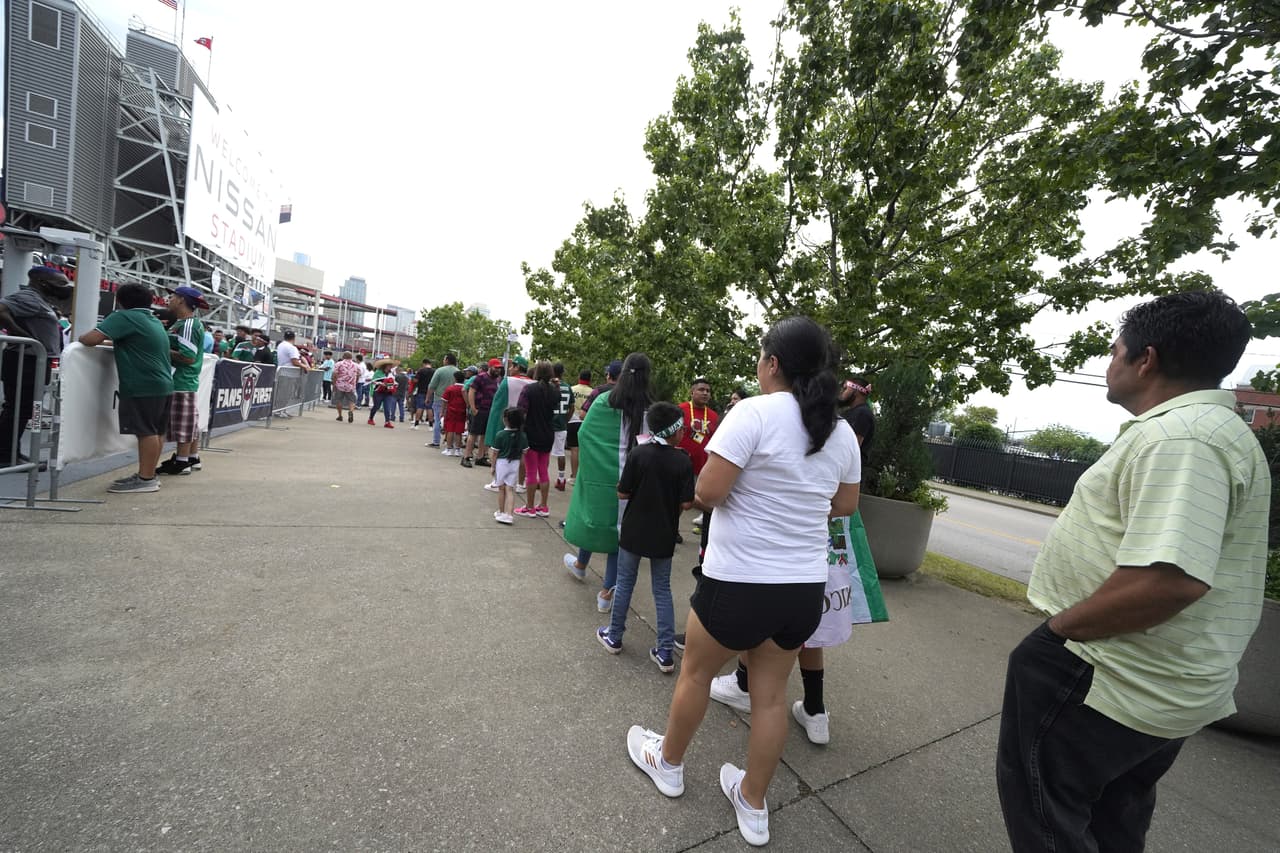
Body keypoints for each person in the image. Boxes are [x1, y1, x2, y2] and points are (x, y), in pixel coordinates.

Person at [996, 290, 1268, 853]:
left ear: (1145, 359)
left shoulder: (1183, 438)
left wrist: (1056, 634)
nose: (1108, 362)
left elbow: (1170, 580)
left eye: (1114, 349)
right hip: (1143, 681)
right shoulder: (1202, 433)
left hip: (1107, 673)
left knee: (1049, 819)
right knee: (1113, 819)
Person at [625, 317, 859, 847]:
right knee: (772, 697)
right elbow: (844, 505)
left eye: (760, 356)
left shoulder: (751, 413)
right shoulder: (840, 431)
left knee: (697, 675)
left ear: (773, 363)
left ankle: (669, 764)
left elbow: (708, 491)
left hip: (737, 581)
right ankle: (753, 804)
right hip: (802, 589)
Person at [711, 372, 878, 742]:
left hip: (816, 525)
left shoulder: (843, 425)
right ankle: (808, 707)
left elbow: (840, 495)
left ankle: (801, 704)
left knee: (783, 620)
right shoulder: (836, 426)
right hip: (819, 529)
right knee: (805, 622)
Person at [596, 402, 695, 674]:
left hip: (634, 530)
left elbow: (622, 493)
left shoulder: (639, 454)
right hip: (664, 532)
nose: (684, 431)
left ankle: (614, 636)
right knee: (661, 590)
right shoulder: (683, 460)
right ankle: (664, 651)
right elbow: (687, 504)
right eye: (681, 427)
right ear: (673, 430)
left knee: (625, 582)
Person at [562, 352, 655, 612]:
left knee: (593, 520)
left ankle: (581, 566)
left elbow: (585, 433)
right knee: (619, 534)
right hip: (633, 481)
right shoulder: (652, 407)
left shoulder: (605, 400)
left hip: (601, 477)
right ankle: (607, 593)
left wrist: (594, 467)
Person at [77, 283, 177, 494]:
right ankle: (148, 474)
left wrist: (81, 339)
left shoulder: (123, 317)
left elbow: (89, 339)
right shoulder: (153, 320)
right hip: (163, 384)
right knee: (157, 431)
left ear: (120, 301)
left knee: (145, 431)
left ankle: (146, 479)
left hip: (142, 385)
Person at [0, 266, 74, 468]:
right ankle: (6, 455)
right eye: (60, 283)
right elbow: (1, 309)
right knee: (17, 408)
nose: (65, 287)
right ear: (42, 282)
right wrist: (23, 336)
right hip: (25, 360)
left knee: (22, 409)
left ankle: (10, 453)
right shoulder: (28, 297)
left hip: (33, 360)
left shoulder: (39, 300)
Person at [157, 286, 209, 476]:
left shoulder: (187, 325)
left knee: (182, 423)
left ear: (181, 300)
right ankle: (191, 457)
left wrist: (159, 349)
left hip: (180, 379)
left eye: (172, 296)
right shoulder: (187, 323)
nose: (168, 299)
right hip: (184, 380)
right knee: (189, 422)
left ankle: (182, 462)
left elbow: (188, 357)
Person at [514, 361, 559, 518]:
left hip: (531, 433)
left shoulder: (529, 389)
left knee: (531, 470)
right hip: (548, 433)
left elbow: (521, 412)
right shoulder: (554, 391)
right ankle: (544, 506)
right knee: (543, 470)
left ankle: (530, 507)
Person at [679, 377, 720, 540]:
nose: (705, 393)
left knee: (703, 500)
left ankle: (707, 532)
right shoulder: (681, 409)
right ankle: (672, 529)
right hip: (681, 463)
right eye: (701, 390)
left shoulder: (713, 416)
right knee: (678, 499)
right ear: (692, 391)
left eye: (708, 391)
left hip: (703, 466)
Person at [491, 407, 529, 525]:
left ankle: (501, 512)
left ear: (506, 420)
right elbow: (525, 451)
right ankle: (509, 515)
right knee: (510, 489)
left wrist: (492, 466)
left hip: (502, 463)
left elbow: (495, 453)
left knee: (501, 488)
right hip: (515, 463)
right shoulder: (522, 435)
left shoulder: (500, 435)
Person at [462, 358, 502, 468]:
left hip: (489, 410)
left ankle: (480, 457)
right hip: (479, 409)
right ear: (490, 367)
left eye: (499, 368)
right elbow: (472, 391)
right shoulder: (481, 377)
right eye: (496, 368)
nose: (498, 370)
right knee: (473, 434)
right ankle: (466, 456)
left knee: (484, 434)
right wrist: (473, 407)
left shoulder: (497, 379)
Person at [426, 352, 459, 445]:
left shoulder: (440, 370)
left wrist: (428, 397)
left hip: (439, 398)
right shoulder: (457, 371)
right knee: (450, 421)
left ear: (447, 360)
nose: (443, 361)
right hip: (453, 400)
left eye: (444, 359)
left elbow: (432, 385)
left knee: (437, 419)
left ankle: (436, 441)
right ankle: (449, 442)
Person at [566, 369, 593, 482]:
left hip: (572, 421)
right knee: (585, 450)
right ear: (590, 380)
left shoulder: (572, 389)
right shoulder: (593, 392)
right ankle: (584, 477)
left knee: (574, 450)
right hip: (587, 422)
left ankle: (574, 476)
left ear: (579, 377)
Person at [551, 362, 572, 491]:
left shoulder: (551, 386)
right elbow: (571, 407)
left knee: (544, 452)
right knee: (560, 453)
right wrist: (566, 420)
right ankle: (561, 478)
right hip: (561, 423)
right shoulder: (568, 387)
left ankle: (541, 478)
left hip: (549, 422)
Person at [440, 370, 468, 456]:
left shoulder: (450, 388)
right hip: (462, 412)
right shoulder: (465, 389)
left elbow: (445, 401)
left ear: (455, 379)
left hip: (451, 411)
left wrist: (442, 411)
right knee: (459, 431)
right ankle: (458, 450)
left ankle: (449, 449)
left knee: (450, 430)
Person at [331, 352, 360, 423]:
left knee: (339, 400)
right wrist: (355, 382)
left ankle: (340, 415)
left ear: (343, 356)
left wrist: (334, 383)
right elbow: (358, 374)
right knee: (352, 401)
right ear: (351, 357)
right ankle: (350, 411)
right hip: (351, 386)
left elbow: (334, 374)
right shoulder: (356, 365)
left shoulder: (339, 364)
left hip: (340, 385)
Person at [367, 360, 398, 427]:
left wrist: (394, 385)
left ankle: (387, 422)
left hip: (388, 392)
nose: (390, 367)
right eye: (389, 365)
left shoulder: (391, 373)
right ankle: (370, 418)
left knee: (387, 407)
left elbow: (394, 382)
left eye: (391, 365)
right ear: (385, 365)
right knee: (376, 406)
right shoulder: (378, 372)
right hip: (379, 392)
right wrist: (381, 383)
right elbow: (373, 381)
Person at [412, 358, 435, 430]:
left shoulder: (421, 370)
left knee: (420, 407)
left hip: (421, 391)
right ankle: (430, 425)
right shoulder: (434, 371)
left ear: (424, 363)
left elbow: (415, 380)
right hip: (430, 392)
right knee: (429, 408)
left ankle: (416, 424)